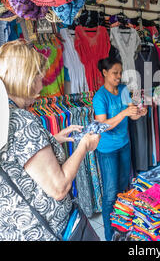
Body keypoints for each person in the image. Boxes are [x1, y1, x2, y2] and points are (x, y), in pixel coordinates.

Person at [0, 39, 101, 241]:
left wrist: (54, 139)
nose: (43, 82)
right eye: (39, 76)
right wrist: (84, 146)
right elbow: (59, 187)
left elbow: (17, 161)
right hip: (51, 231)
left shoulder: (5, 116)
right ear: (26, 78)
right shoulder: (22, 120)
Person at [93, 57, 147, 241]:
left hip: (124, 144)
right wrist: (124, 112)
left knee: (125, 188)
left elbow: (131, 116)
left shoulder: (124, 90)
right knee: (110, 194)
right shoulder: (100, 97)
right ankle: (109, 236)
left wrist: (139, 112)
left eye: (120, 72)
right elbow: (102, 125)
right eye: (115, 73)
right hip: (107, 150)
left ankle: (123, 230)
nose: (118, 76)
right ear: (105, 73)